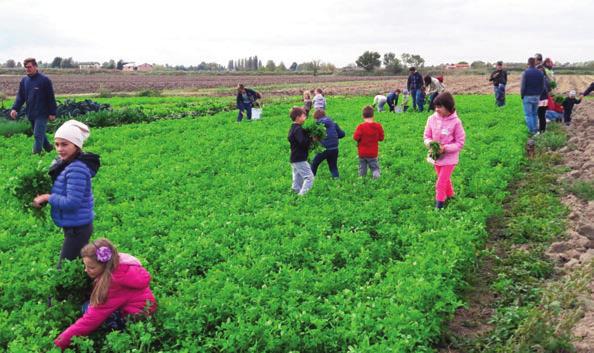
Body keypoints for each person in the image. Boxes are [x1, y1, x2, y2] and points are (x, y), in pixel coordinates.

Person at [53, 238, 157, 350]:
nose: (86, 270)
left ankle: (118, 330)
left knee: (87, 308)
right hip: (145, 308)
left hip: (135, 318)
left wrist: (59, 344)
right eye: (85, 266)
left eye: (91, 267)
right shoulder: (121, 263)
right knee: (90, 304)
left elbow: (90, 320)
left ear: (105, 265)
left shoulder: (113, 283)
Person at [32, 120, 100, 269]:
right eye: (57, 144)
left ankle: (66, 291)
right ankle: (89, 289)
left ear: (76, 145)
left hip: (78, 228)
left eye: (64, 144)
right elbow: (63, 191)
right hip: (75, 225)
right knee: (80, 265)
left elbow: (72, 202)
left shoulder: (77, 169)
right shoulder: (66, 164)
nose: (59, 149)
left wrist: (47, 197)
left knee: (63, 269)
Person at [423, 92, 466, 209]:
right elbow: (426, 136)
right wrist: (430, 144)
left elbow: (460, 142)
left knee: (440, 183)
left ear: (448, 107)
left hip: (449, 159)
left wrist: (445, 148)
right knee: (445, 180)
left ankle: (439, 206)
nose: (437, 109)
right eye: (436, 106)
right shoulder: (431, 119)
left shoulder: (456, 122)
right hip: (436, 157)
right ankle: (451, 195)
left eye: (440, 107)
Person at [9, 58, 57, 154]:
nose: (27, 69)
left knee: (37, 135)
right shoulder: (24, 81)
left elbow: (50, 97)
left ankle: (35, 155)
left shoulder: (44, 80)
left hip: (42, 113)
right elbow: (20, 96)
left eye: (30, 67)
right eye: (26, 67)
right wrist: (15, 108)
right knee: (41, 134)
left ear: (35, 66)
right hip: (31, 113)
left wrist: (52, 112)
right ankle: (49, 149)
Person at [310, 109, 345, 178]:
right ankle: (337, 181)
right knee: (333, 167)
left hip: (324, 149)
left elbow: (313, 137)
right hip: (334, 148)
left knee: (314, 164)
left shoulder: (316, 125)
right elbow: (342, 134)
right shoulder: (333, 123)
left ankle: (310, 180)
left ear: (316, 117)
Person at [288, 107, 314, 195]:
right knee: (309, 177)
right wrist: (312, 139)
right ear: (298, 117)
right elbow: (303, 142)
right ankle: (302, 196)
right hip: (300, 157)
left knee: (297, 177)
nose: (305, 118)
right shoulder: (298, 129)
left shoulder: (293, 128)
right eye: (304, 116)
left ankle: (294, 193)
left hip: (294, 157)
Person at [353, 106, 384, 179]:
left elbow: (355, 137)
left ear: (363, 115)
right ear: (373, 115)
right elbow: (381, 138)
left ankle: (361, 180)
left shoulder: (361, 126)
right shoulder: (378, 126)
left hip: (362, 152)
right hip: (373, 153)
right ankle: (377, 180)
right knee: (375, 168)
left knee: (362, 168)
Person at [520, 57, 545, 135]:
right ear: (535, 63)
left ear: (528, 63)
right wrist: (539, 94)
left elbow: (523, 86)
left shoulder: (525, 73)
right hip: (537, 96)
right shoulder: (540, 73)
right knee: (534, 114)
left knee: (528, 115)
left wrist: (522, 95)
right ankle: (535, 129)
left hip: (527, 96)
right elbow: (542, 86)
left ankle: (532, 131)